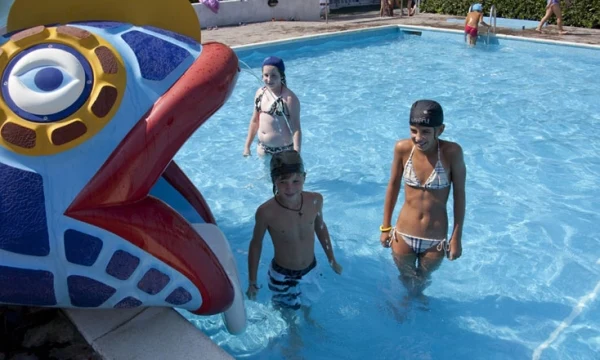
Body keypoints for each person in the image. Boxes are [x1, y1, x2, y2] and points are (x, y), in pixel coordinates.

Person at [380, 100, 466, 298]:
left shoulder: (452, 153)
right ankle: (406, 304)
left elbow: (459, 194)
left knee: (423, 280)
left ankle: (414, 299)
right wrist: (385, 227)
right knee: (405, 277)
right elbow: (392, 186)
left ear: (440, 130)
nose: (418, 138)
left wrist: (456, 237)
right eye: (413, 130)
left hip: (435, 238)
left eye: (426, 132)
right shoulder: (402, 148)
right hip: (403, 234)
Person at [246, 150, 342, 310]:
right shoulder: (266, 212)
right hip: (283, 276)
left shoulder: (315, 200)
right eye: (283, 182)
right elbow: (256, 245)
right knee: (287, 312)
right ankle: (293, 332)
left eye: (296, 181)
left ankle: (307, 321)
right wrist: (252, 282)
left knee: (308, 304)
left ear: (304, 177)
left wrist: (331, 258)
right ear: (274, 181)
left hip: (311, 268)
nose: (290, 188)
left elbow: (320, 227)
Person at [243, 56, 301, 157]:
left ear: (281, 76)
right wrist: (247, 146)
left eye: (274, 75)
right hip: (262, 149)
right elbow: (255, 121)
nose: (269, 79)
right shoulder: (260, 93)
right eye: (266, 75)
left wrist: (296, 154)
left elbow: (296, 129)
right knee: (264, 173)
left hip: (283, 152)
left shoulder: (289, 99)